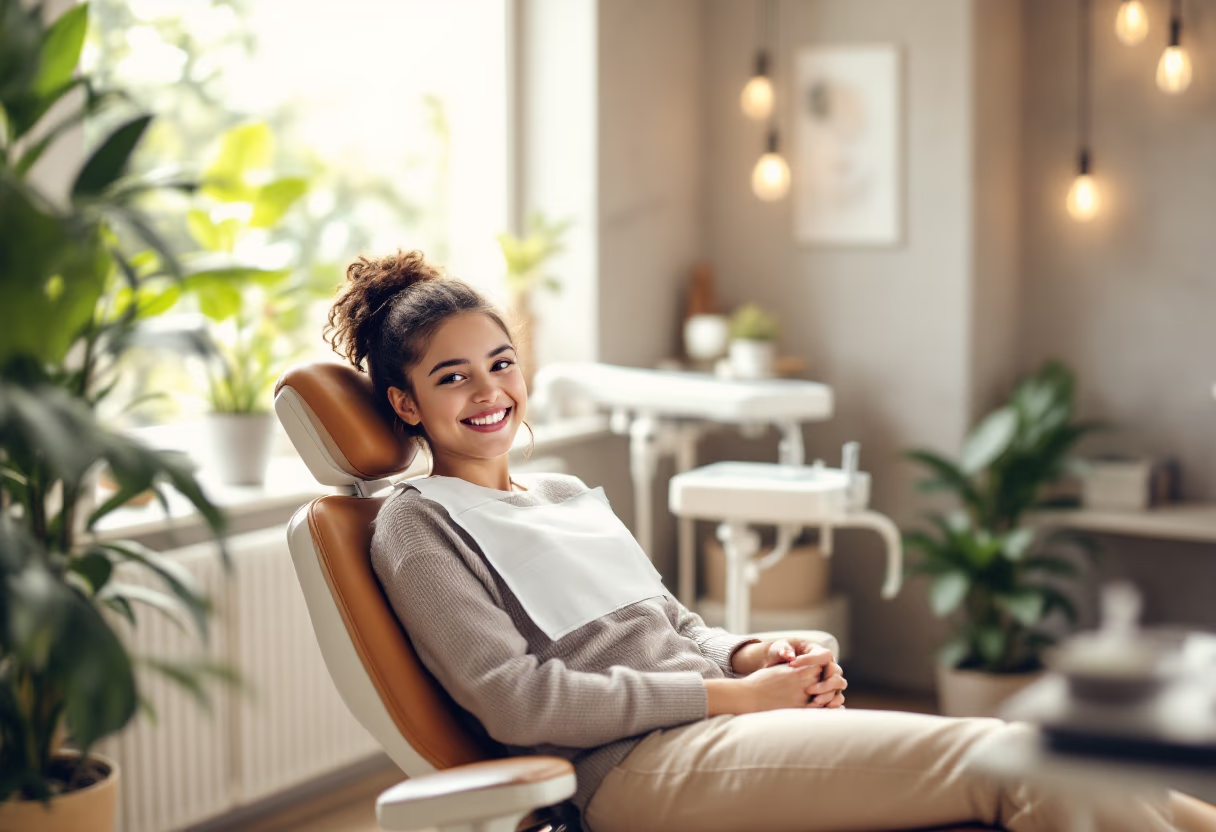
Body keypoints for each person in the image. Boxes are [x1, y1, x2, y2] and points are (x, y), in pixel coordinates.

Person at [325, 250, 1216, 832]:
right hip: (632, 770)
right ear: (405, 404)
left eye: (501, 361)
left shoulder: (560, 492)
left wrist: (750, 650)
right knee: (1008, 762)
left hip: (707, 729)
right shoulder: (418, 524)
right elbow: (521, 703)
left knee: (1071, 768)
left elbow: (675, 624)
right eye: (452, 377)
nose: (489, 391)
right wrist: (733, 698)